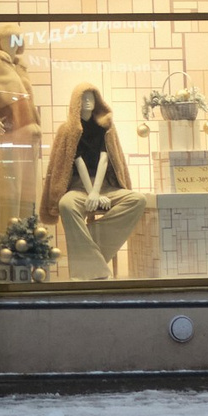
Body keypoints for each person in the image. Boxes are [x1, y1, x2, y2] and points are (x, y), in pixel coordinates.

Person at [42, 85, 147, 281]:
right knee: (66, 204)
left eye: (92, 97)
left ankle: (84, 247)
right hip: (79, 187)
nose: (88, 101)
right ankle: (92, 262)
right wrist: (91, 193)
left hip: (104, 186)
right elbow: (78, 161)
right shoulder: (69, 130)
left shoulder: (105, 128)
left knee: (137, 200)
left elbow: (105, 160)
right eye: (83, 98)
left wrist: (98, 192)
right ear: (76, 103)